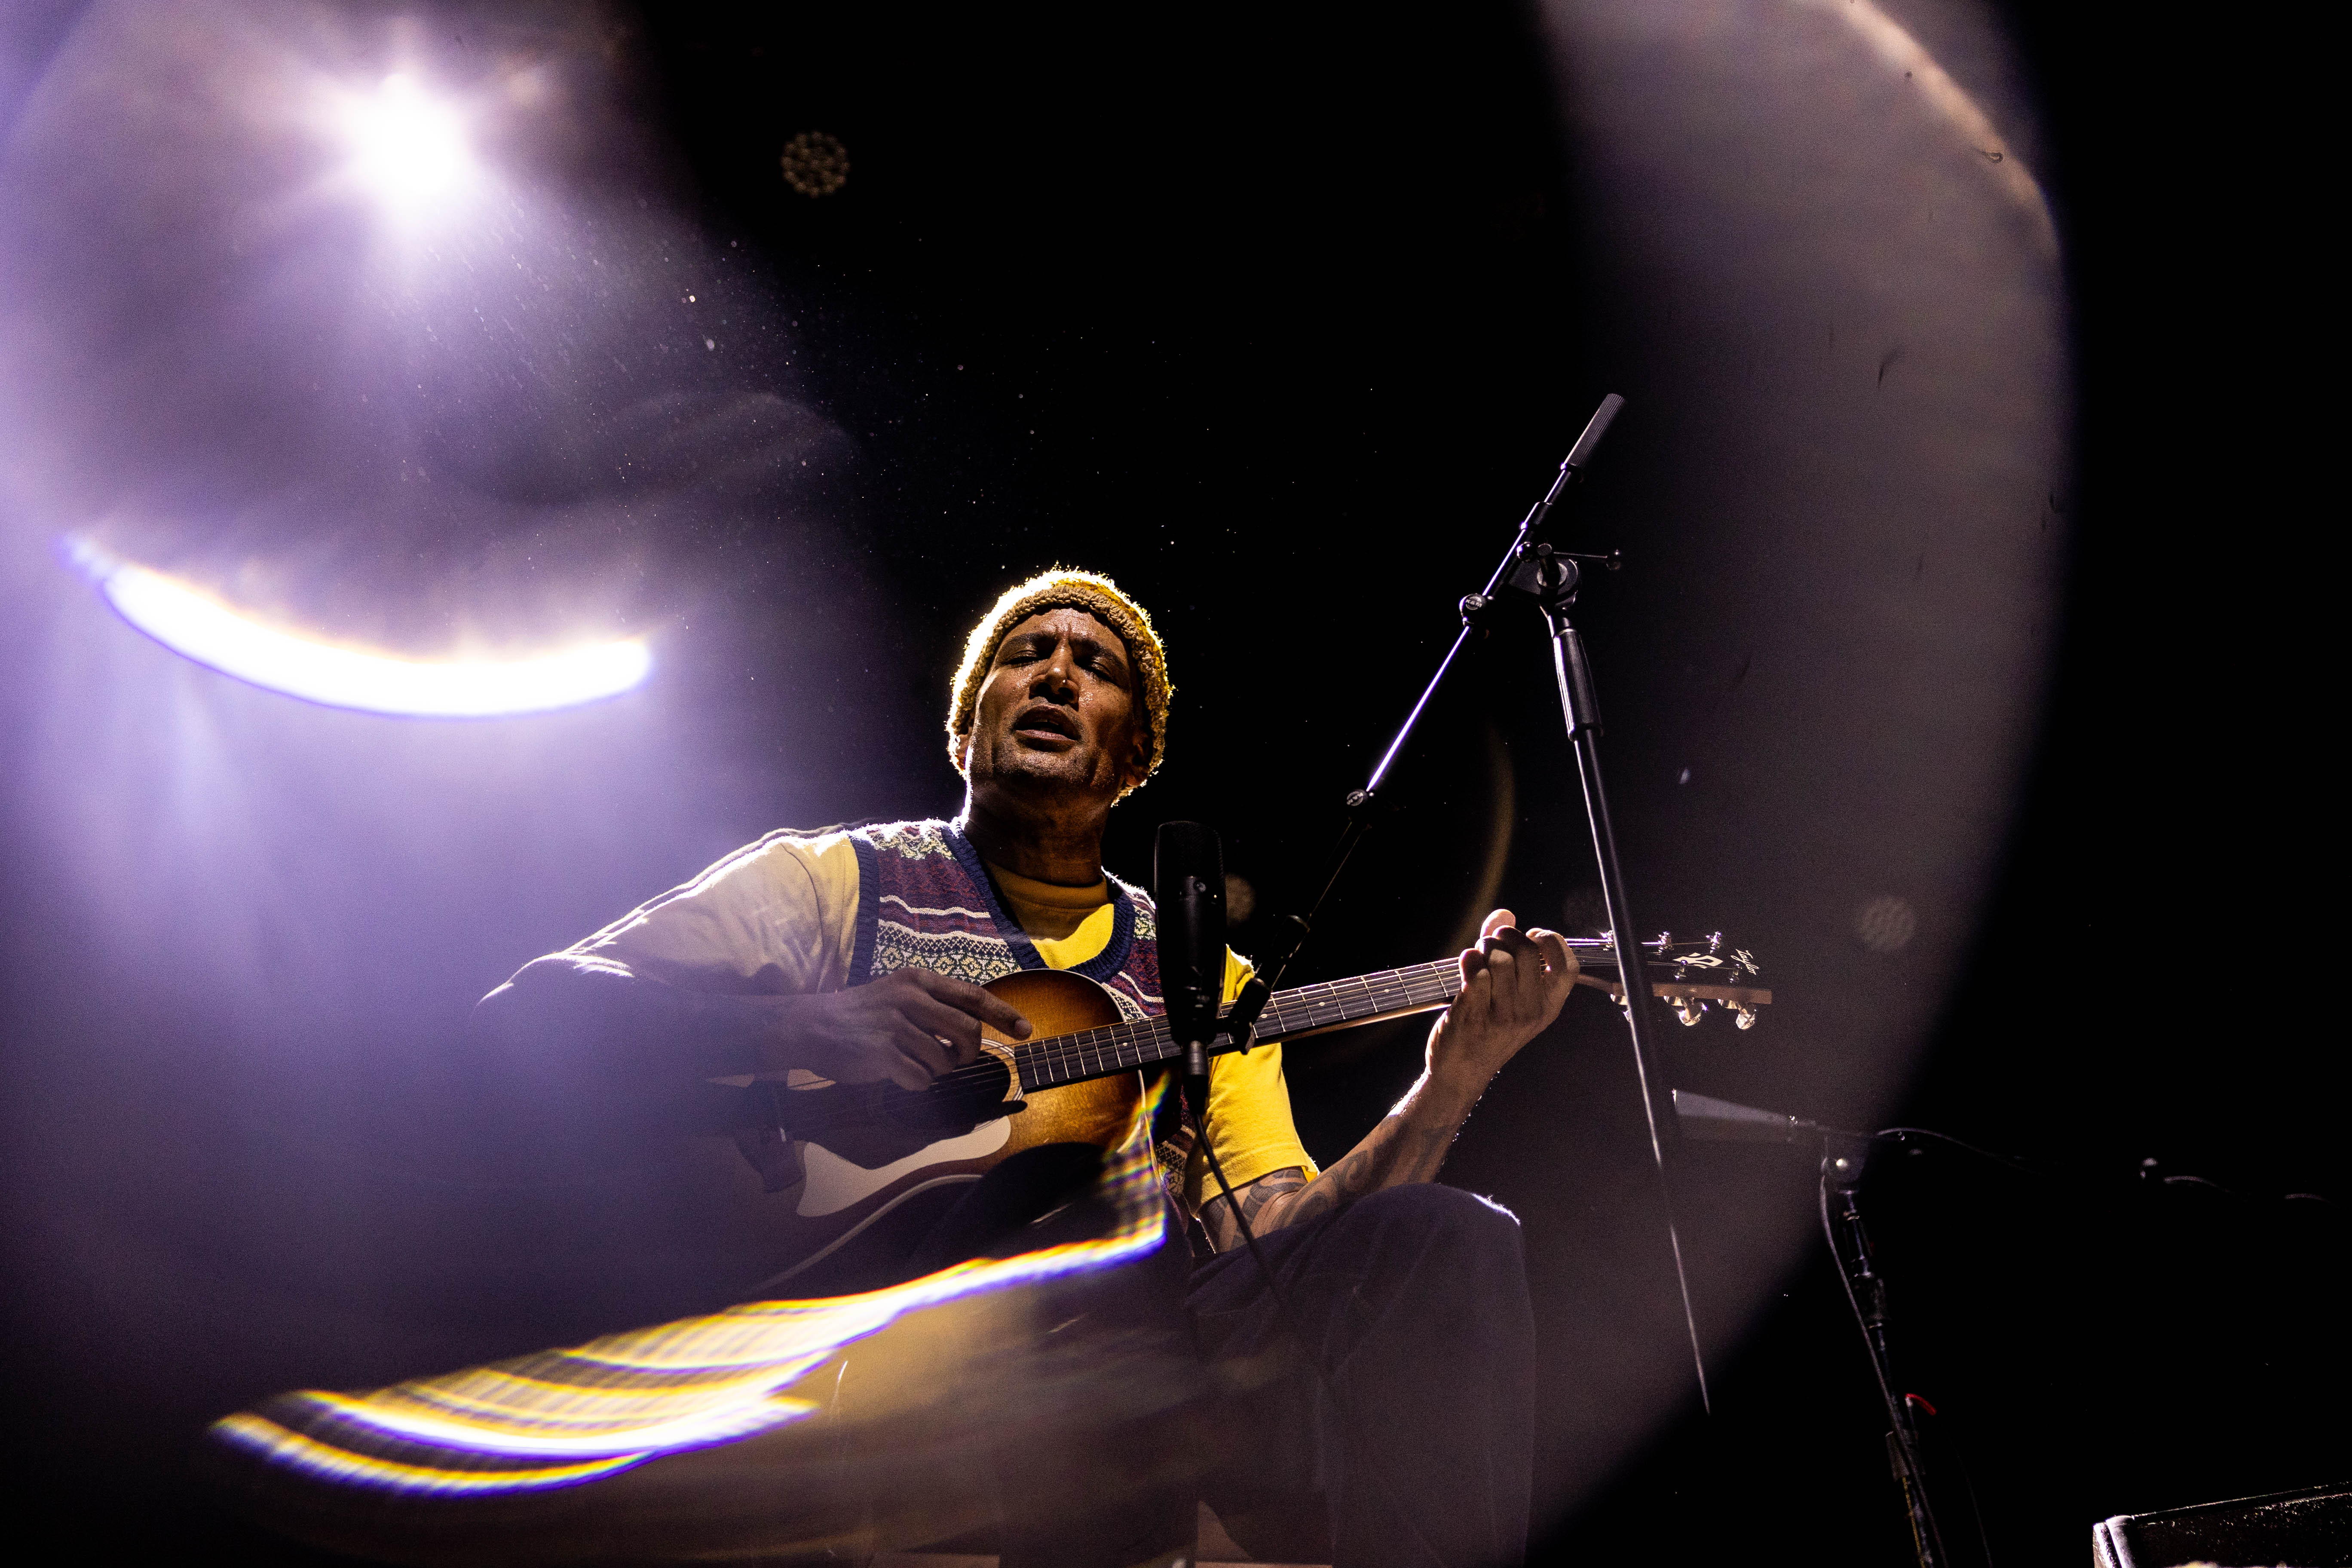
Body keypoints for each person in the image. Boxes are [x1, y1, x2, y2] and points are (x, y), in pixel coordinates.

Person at [477, 568, 1578, 1568]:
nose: (1056, 672)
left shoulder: (1204, 975)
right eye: (1023, 656)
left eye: (1094, 668)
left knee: (1451, 1236)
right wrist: (806, 1030)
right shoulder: (833, 885)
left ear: (1136, 757)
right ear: (967, 730)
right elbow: (542, 1010)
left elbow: (1284, 1240)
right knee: (1091, 1225)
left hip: (1148, 1353)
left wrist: (1452, 1081)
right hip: (887, 1332)